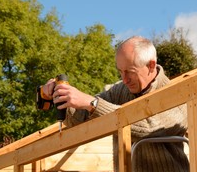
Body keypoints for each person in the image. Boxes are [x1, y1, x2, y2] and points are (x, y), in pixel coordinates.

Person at [42, 36, 189, 172]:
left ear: (151, 65)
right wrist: (61, 99)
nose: (124, 80)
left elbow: (146, 127)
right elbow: (79, 120)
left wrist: (93, 103)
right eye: (120, 72)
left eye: (130, 72)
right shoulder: (120, 91)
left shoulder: (177, 95)